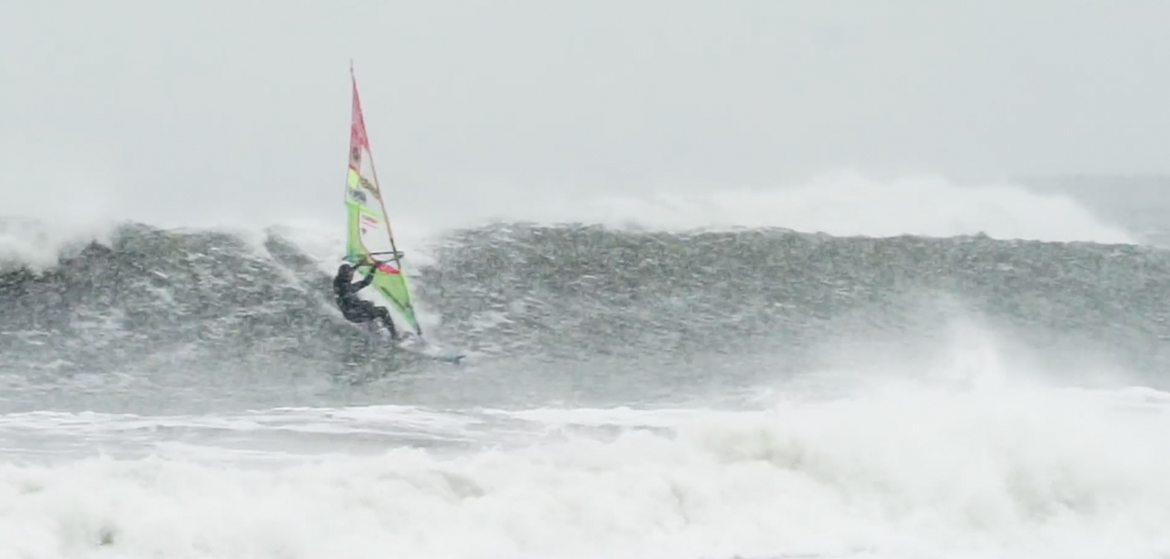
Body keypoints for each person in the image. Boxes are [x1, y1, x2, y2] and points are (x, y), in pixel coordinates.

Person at [333, 260, 399, 340]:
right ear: (347, 276)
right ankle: (394, 336)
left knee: (370, 308)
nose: (352, 275)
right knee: (383, 311)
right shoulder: (347, 289)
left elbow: (349, 272)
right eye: (350, 275)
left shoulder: (338, 281)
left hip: (348, 313)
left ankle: (375, 326)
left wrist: (359, 264)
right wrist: (374, 268)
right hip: (354, 315)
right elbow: (365, 282)